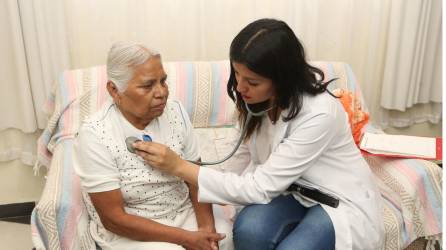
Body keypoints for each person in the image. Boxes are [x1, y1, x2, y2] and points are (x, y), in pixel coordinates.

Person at [134, 18, 385, 250]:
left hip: (335, 200)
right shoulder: (258, 102)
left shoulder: (319, 115)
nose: (240, 87)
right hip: (291, 190)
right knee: (249, 232)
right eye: (237, 74)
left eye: (252, 82)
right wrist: (196, 188)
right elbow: (237, 159)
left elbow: (259, 188)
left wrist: (179, 167)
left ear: (282, 79)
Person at [73, 41, 234, 250]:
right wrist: (187, 239)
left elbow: (196, 177)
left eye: (163, 81)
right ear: (114, 90)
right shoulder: (94, 135)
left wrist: (206, 230)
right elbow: (113, 219)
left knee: (224, 238)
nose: (161, 93)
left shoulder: (175, 111)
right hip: (134, 226)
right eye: (148, 86)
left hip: (183, 209)